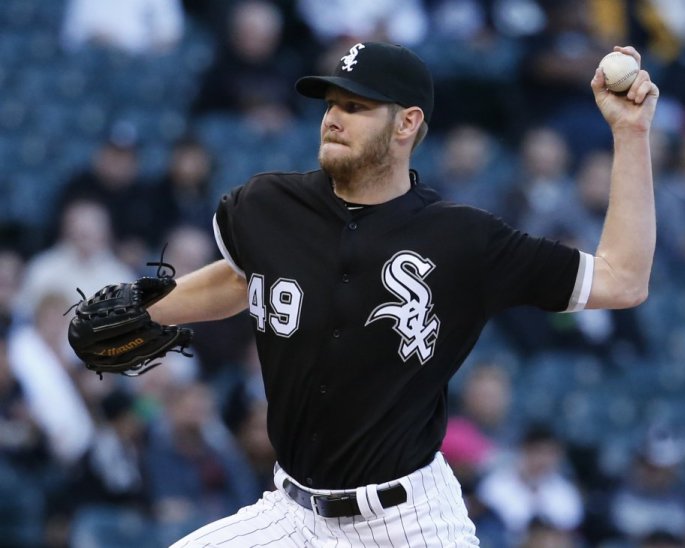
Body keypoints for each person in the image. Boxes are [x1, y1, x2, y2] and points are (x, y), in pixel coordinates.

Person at [123, 40, 656, 545]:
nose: (332, 117)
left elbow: (621, 280)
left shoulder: (464, 239)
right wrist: (142, 308)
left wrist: (630, 134)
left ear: (407, 122)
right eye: (331, 103)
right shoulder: (267, 205)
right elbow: (243, 278)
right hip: (290, 516)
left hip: (407, 525)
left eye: (355, 106)